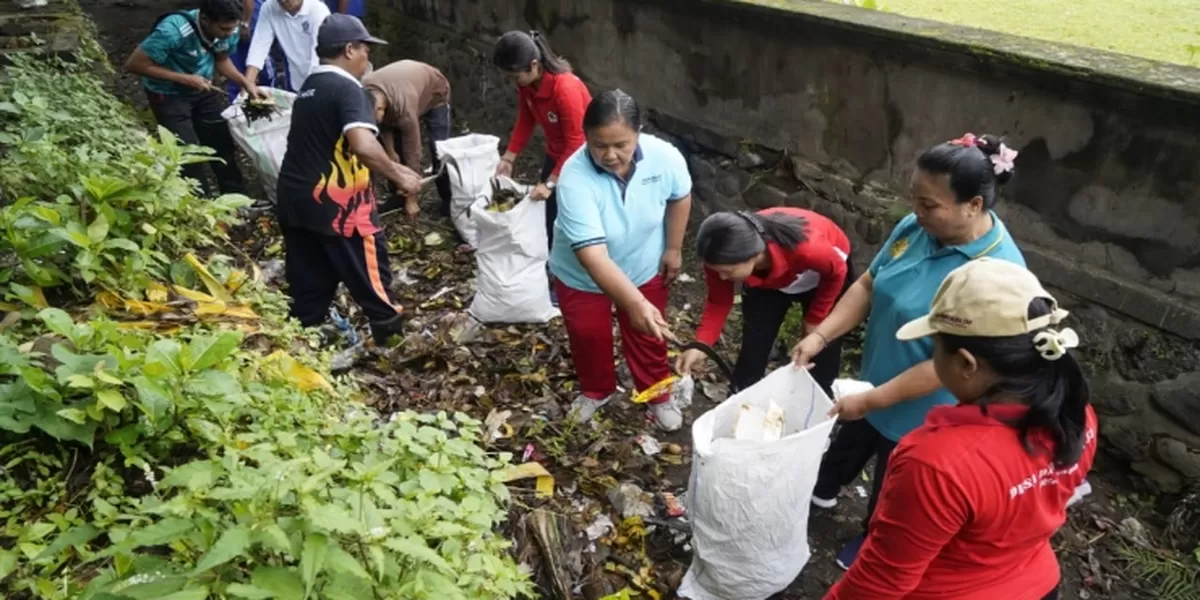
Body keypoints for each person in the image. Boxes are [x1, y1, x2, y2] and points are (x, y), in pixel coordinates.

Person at [792, 133, 1026, 569]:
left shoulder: (997, 274)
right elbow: (868, 284)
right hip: (875, 374)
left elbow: (948, 367)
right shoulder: (915, 229)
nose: (916, 213)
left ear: (973, 205)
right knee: (851, 437)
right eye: (914, 199)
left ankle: (875, 544)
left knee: (895, 484)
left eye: (930, 205)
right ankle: (821, 489)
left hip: (926, 406)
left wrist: (874, 399)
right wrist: (821, 335)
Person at [825, 258, 1097, 600]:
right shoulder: (1077, 413)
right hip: (1038, 584)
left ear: (967, 363)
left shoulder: (937, 462)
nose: (933, 358)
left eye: (935, 347)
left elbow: (881, 581)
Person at [275, 14, 422, 345]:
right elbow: (362, 143)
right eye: (365, 51)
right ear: (350, 49)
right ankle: (393, 348)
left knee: (309, 285)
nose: (367, 59)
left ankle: (304, 349)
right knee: (373, 280)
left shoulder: (309, 87)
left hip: (295, 202)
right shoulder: (347, 88)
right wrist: (401, 175)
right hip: (338, 207)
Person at [551, 90, 692, 432]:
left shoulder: (665, 158)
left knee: (648, 332)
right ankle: (596, 390)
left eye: (621, 144)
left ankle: (656, 391)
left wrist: (673, 248)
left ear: (638, 132)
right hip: (582, 276)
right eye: (600, 145)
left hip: (643, 263)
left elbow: (680, 195)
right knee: (588, 334)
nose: (611, 155)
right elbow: (592, 257)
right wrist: (634, 302)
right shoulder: (574, 178)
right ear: (586, 137)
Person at [679, 207, 853, 396]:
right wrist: (701, 345)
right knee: (755, 342)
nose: (721, 277)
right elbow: (719, 302)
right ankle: (741, 397)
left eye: (727, 272)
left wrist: (814, 320)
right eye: (717, 271)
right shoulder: (721, 259)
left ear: (753, 256)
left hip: (824, 277)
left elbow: (837, 272)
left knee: (822, 346)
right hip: (766, 283)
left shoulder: (809, 249)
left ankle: (820, 399)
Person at [124, 0, 265, 197]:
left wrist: (244, 82)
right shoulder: (172, 32)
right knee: (187, 151)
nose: (229, 33)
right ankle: (201, 203)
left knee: (222, 142)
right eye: (224, 28)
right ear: (205, 20)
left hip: (203, 89)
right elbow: (134, 65)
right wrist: (185, 79)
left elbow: (221, 59)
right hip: (168, 94)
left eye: (233, 27)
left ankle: (236, 197)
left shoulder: (230, 29)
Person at [492, 31, 592, 256]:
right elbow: (526, 118)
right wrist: (509, 157)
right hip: (557, 155)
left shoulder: (565, 89)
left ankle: (572, 271)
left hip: (582, 161)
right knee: (546, 214)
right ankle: (550, 266)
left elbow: (577, 142)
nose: (513, 82)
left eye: (514, 77)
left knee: (571, 218)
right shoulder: (528, 85)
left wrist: (549, 184)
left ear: (534, 65)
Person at [362, 60, 453, 220]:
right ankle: (398, 197)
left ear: (382, 108)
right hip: (404, 87)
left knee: (439, 150)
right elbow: (382, 125)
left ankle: (448, 202)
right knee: (396, 153)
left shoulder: (404, 110)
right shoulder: (363, 91)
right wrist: (390, 153)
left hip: (434, 92)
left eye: (380, 114)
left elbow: (414, 152)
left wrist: (413, 200)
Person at [244, 0, 331, 93]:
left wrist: (310, 93)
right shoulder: (269, 8)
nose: (283, 1)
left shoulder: (318, 10)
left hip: (322, 81)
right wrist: (249, 82)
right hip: (296, 78)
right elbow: (259, 46)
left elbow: (318, 57)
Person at [226, 0, 278, 102]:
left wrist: (246, 22)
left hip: (249, 18)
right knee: (234, 64)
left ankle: (270, 97)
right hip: (230, 16)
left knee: (260, 61)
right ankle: (238, 102)